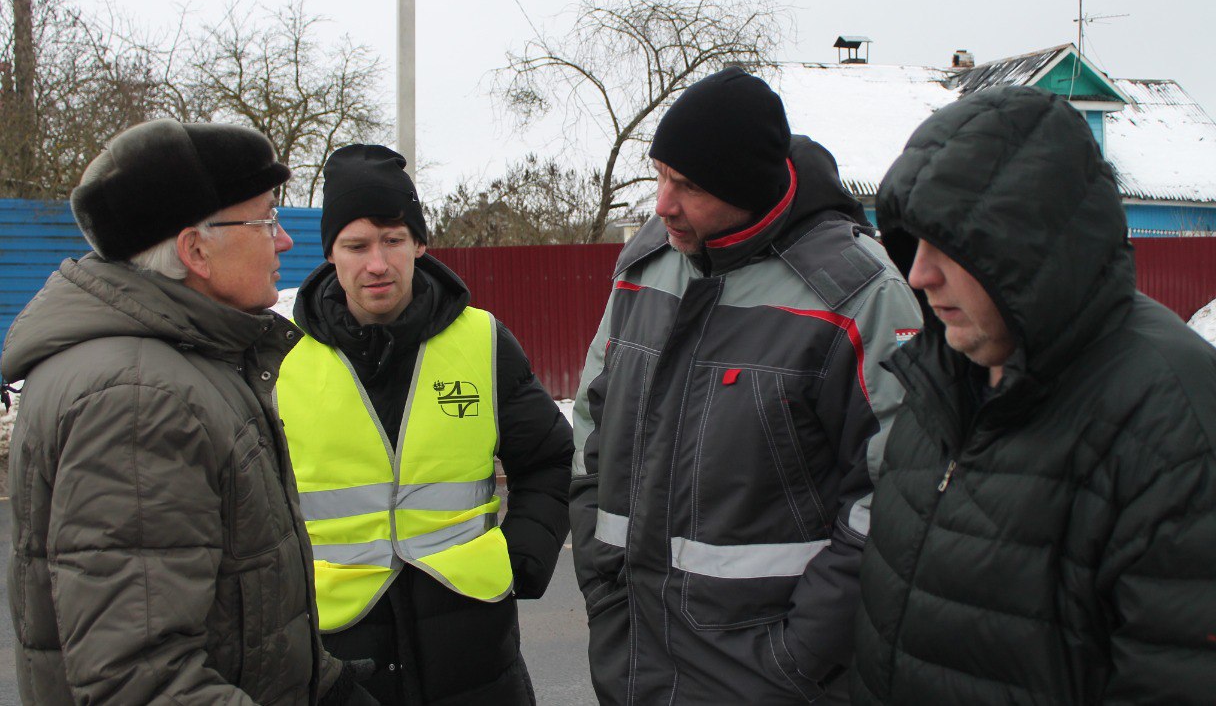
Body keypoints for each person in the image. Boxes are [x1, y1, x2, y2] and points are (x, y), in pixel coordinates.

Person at [852, 85, 1216, 703]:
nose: (918, 274)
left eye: (947, 244)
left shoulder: (1175, 408)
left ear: (1026, 246)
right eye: (913, 243)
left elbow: (1203, 677)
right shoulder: (943, 374)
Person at [569, 67, 923, 705]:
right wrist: (602, 585)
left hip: (772, 679)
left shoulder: (858, 295)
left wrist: (797, 656)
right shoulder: (648, 263)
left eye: (689, 186)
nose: (662, 204)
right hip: (633, 663)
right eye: (661, 174)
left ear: (747, 190)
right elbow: (593, 428)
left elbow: (896, 499)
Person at [2, 119, 376, 704]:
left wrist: (324, 686)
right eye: (265, 219)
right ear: (195, 249)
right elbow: (138, 680)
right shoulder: (139, 400)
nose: (283, 241)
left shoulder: (183, 365)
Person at [275, 144, 573, 705]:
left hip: (475, 654)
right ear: (330, 255)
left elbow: (551, 457)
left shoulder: (481, 342)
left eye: (393, 240)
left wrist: (526, 554)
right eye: (356, 245)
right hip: (340, 658)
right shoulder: (285, 360)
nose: (378, 263)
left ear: (419, 244)